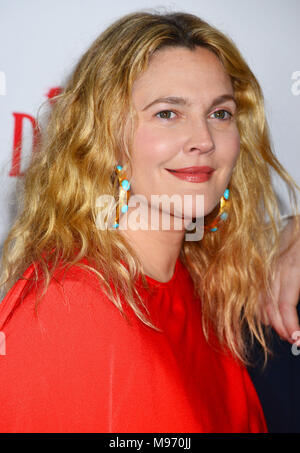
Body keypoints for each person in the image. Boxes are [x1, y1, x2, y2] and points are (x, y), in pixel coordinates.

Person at [0, 11, 299, 433]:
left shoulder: (208, 285)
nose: (204, 140)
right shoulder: (68, 309)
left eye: (220, 113)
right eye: (167, 114)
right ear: (105, 135)